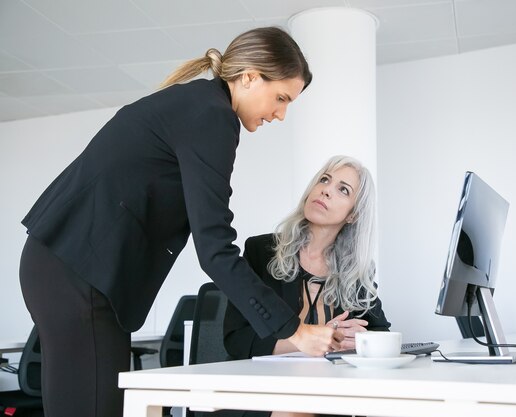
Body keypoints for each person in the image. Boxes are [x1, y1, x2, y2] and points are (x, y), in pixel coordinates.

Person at [18, 27, 343, 417]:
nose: (281, 113)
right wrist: (293, 330)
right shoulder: (212, 116)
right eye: (280, 98)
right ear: (250, 77)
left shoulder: (198, 105)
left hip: (68, 268)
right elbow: (215, 249)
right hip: (78, 274)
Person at [223, 155, 391, 417]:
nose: (326, 189)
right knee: (297, 411)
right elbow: (237, 340)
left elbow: (380, 332)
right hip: (262, 391)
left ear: (353, 215)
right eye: (324, 180)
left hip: (329, 393)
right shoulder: (261, 251)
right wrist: (316, 339)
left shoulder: (356, 271)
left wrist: (356, 341)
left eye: (342, 190)